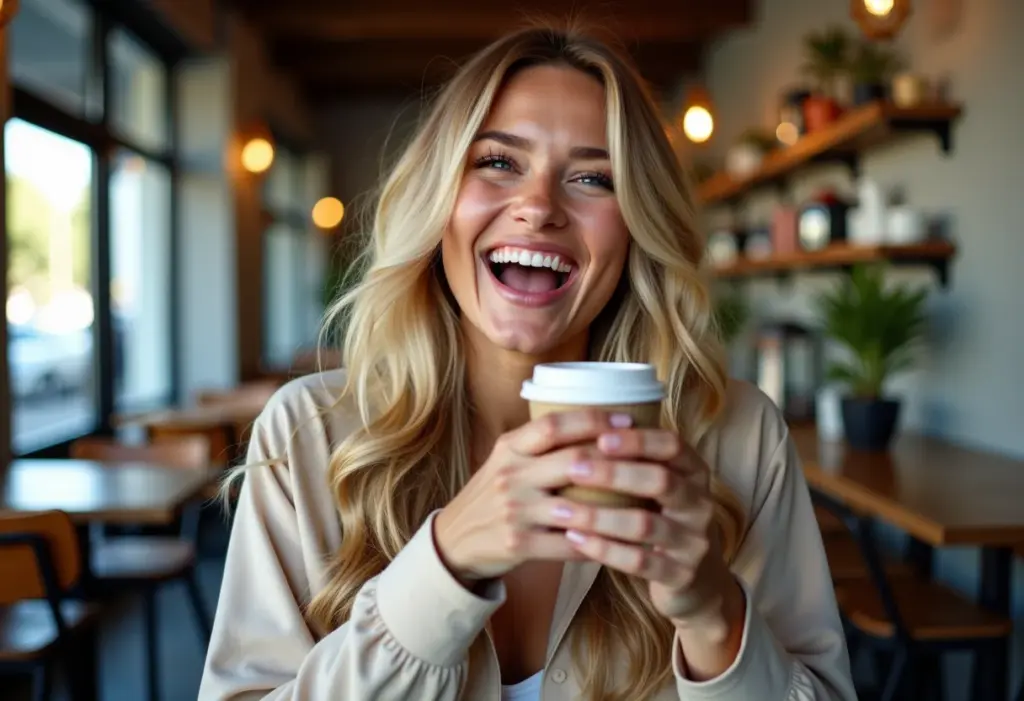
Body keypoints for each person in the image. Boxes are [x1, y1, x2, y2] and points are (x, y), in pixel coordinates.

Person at [199, 23, 856, 701]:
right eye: (499, 162)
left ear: (636, 224)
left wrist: (715, 612)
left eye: (593, 177)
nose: (539, 207)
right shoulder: (309, 433)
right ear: (440, 200)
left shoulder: (740, 436)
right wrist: (443, 566)